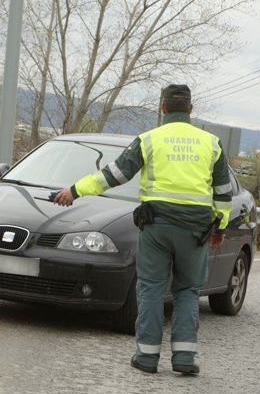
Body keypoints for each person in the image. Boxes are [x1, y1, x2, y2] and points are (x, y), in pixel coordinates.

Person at [53, 84, 232, 375]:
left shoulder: (149, 139)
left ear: (162, 109)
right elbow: (223, 194)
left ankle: (147, 358)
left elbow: (114, 174)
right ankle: (184, 357)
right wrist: (219, 229)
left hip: (157, 226)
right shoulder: (211, 143)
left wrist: (75, 190)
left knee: (150, 288)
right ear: (190, 109)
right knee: (187, 290)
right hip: (196, 231)